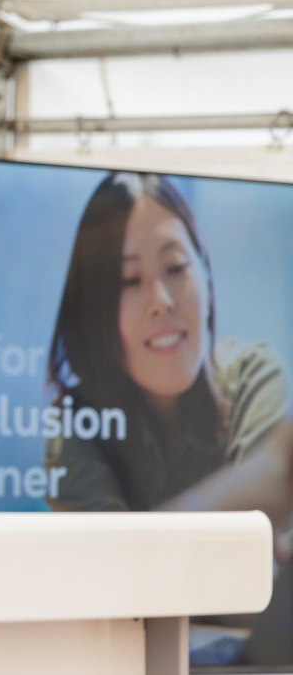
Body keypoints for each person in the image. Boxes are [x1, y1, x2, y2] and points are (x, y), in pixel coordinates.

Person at [45, 171, 293, 516]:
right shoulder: (77, 422)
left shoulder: (254, 378)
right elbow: (108, 553)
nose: (161, 301)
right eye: (130, 280)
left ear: (206, 277)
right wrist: (259, 479)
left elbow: (262, 537)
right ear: (94, 314)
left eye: (176, 267)